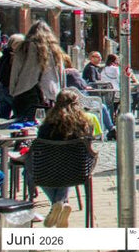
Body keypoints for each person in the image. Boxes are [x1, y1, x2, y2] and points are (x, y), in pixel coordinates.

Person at [36, 89, 95, 227]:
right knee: (67, 168)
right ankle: (62, 203)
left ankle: (57, 203)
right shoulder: (84, 124)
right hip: (77, 171)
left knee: (31, 171)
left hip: (47, 171)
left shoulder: (46, 126)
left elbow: (39, 148)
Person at [9, 21, 64, 121]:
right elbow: (61, 72)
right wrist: (60, 91)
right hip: (50, 93)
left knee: (24, 125)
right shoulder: (55, 49)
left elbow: (15, 70)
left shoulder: (23, 47)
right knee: (46, 124)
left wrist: (13, 90)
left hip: (25, 90)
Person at [0, 34, 24, 119]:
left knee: (3, 119)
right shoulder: (17, 58)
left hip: (2, 90)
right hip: (11, 90)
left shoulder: (3, 56)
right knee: (18, 117)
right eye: (17, 43)